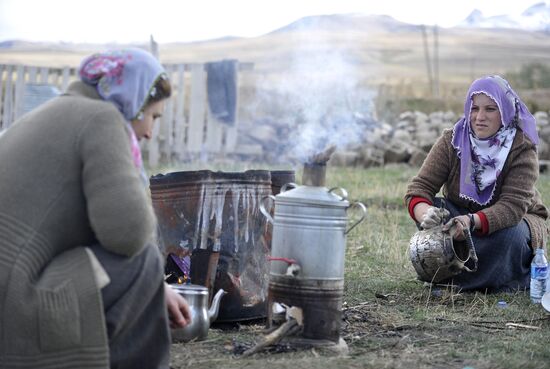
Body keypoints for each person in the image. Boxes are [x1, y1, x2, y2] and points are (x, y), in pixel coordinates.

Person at [0, 48, 191, 369]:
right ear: (131, 100)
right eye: (152, 116)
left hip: (12, 290)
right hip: (15, 306)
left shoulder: (52, 113)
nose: (148, 133)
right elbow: (127, 236)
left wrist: (160, 286)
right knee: (142, 261)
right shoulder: (101, 119)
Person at [405, 75, 549, 292]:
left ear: (506, 111)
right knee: (436, 209)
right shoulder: (452, 140)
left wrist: (471, 222)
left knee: (512, 236)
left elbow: (512, 207)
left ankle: (490, 281)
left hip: (513, 221)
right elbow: (419, 189)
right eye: (474, 108)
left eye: (490, 109)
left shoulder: (522, 148)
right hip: (462, 218)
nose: (479, 117)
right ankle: (463, 276)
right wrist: (425, 213)